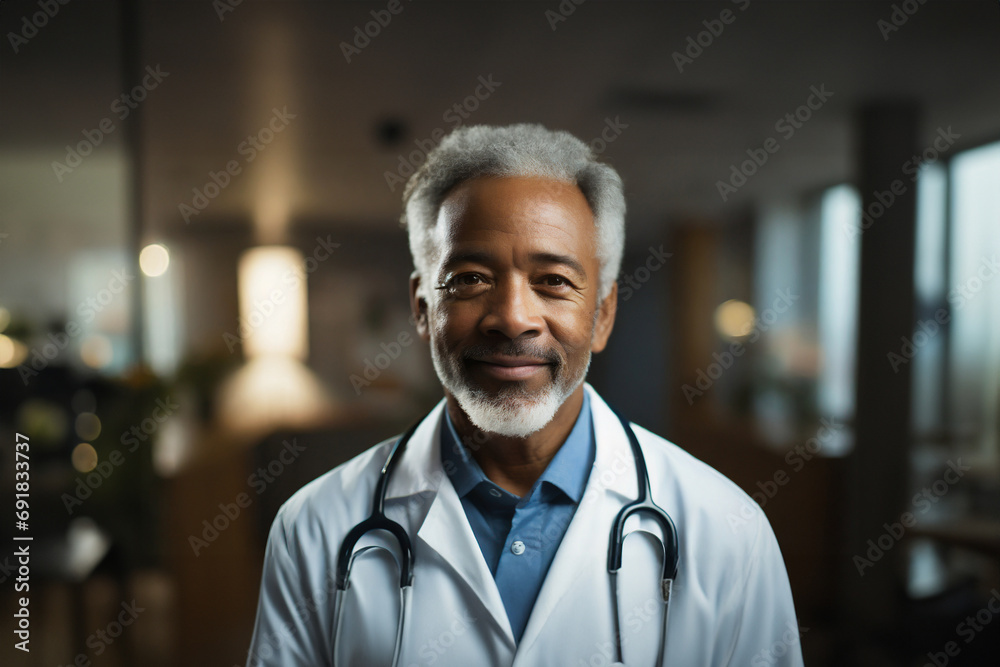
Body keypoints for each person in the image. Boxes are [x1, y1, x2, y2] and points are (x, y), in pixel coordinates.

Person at [246, 123, 804, 666]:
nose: (513, 318)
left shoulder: (726, 530)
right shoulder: (315, 529)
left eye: (553, 281)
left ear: (602, 315)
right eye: (470, 278)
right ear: (422, 309)